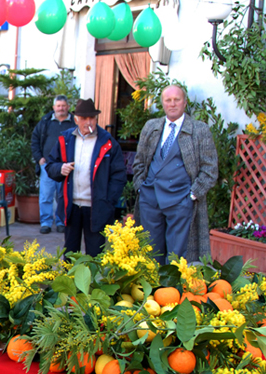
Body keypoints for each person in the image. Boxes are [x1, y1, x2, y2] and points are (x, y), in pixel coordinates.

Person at [132, 85, 218, 265]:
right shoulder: (151, 127)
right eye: (168, 100)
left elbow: (210, 169)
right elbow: (139, 161)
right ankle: (150, 292)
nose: (172, 104)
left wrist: (192, 195)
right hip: (150, 199)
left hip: (181, 201)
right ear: (162, 103)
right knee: (149, 254)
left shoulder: (199, 130)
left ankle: (172, 292)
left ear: (185, 103)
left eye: (176, 100)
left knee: (177, 259)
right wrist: (141, 187)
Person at [45, 98, 127, 256]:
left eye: (91, 118)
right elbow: (50, 165)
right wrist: (60, 168)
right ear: (76, 119)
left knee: (95, 254)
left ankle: (92, 281)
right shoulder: (66, 139)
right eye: (84, 118)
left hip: (96, 207)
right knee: (70, 253)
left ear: (96, 118)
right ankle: (70, 280)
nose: (88, 122)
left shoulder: (108, 142)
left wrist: (108, 200)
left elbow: (119, 176)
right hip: (71, 205)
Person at [31, 95, 74, 234]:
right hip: (47, 165)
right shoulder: (45, 122)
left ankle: (61, 222)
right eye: (58, 106)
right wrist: (39, 158)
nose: (61, 108)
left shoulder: (74, 122)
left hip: (66, 166)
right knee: (46, 195)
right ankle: (46, 223)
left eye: (63, 105)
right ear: (54, 107)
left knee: (63, 195)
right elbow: (35, 140)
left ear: (68, 107)